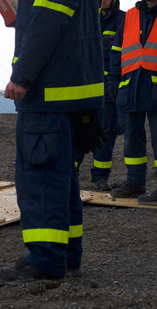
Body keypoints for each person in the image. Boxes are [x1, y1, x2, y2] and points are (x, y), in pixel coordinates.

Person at [0, 0, 106, 283]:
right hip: (70, 94)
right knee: (62, 179)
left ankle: (46, 260)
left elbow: (48, 20)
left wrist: (22, 75)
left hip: (48, 95)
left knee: (42, 180)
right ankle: (67, 257)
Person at [109, 0, 157, 205]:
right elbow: (117, 49)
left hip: (153, 84)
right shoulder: (129, 16)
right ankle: (135, 182)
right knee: (132, 139)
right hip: (130, 86)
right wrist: (113, 79)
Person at [76, 0, 126, 191]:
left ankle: (100, 177)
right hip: (84, 86)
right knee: (77, 129)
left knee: (106, 133)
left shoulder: (123, 20)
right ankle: (71, 171)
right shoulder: (86, 18)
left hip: (108, 89)